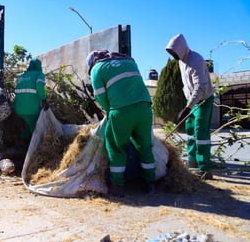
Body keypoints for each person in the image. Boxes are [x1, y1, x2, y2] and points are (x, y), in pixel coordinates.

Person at [86, 50, 156, 197]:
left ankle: (117, 185)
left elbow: (99, 96)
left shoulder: (96, 69)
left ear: (92, 62)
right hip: (145, 108)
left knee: (116, 146)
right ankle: (150, 183)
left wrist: (109, 110)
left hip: (121, 111)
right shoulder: (129, 61)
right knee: (145, 146)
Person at [166, 33, 214, 180]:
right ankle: (192, 161)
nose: (173, 54)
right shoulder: (181, 61)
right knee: (191, 131)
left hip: (203, 101)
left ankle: (205, 169)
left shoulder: (196, 60)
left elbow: (200, 87)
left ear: (181, 48)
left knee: (201, 134)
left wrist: (188, 107)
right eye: (171, 52)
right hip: (191, 102)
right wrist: (188, 105)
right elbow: (187, 85)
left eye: (174, 51)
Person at [14, 58, 48, 145]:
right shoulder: (39, 74)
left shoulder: (21, 76)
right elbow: (40, 86)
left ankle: (22, 142)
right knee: (35, 128)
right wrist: (44, 99)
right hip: (31, 109)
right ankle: (38, 148)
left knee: (28, 123)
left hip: (18, 108)